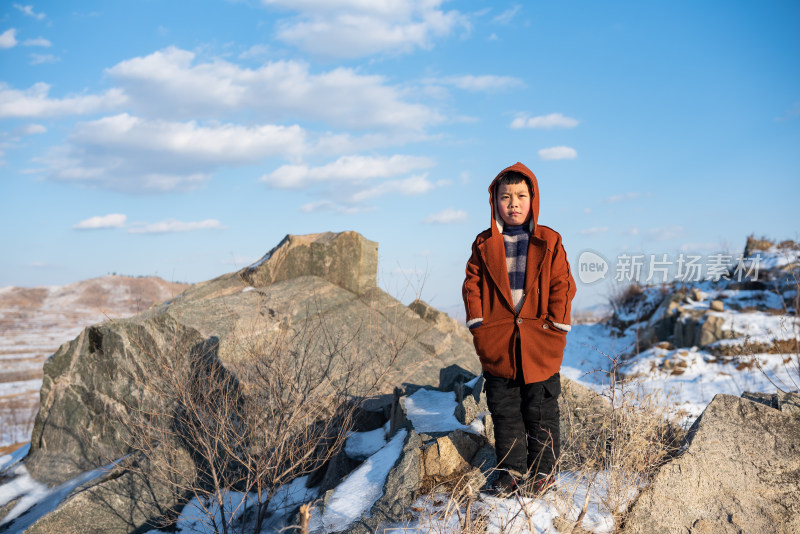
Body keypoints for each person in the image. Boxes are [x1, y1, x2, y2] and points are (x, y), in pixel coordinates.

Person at [462, 162, 576, 494]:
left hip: (540, 341)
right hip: (498, 342)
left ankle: (543, 473)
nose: (513, 203)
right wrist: (478, 325)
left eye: (521, 196)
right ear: (494, 202)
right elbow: (473, 285)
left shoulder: (548, 240)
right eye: (505, 196)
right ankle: (511, 471)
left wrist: (556, 326)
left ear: (533, 199)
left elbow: (563, 285)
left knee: (540, 409)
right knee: (505, 410)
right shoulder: (483, 244)